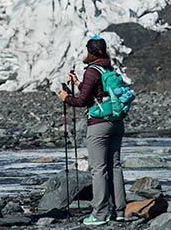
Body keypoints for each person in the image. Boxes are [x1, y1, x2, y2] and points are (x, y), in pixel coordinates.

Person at [59, 36, 126, 226]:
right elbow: (96, 93)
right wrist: (79, 83)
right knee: (115, 165)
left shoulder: (92, 70)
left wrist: (65, 97)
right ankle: (119, 211)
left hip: (98, 124)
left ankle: (99, 214)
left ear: (90, 51)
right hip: (116, 121)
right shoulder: (108, 68)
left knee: (98, 169)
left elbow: (81, 101)